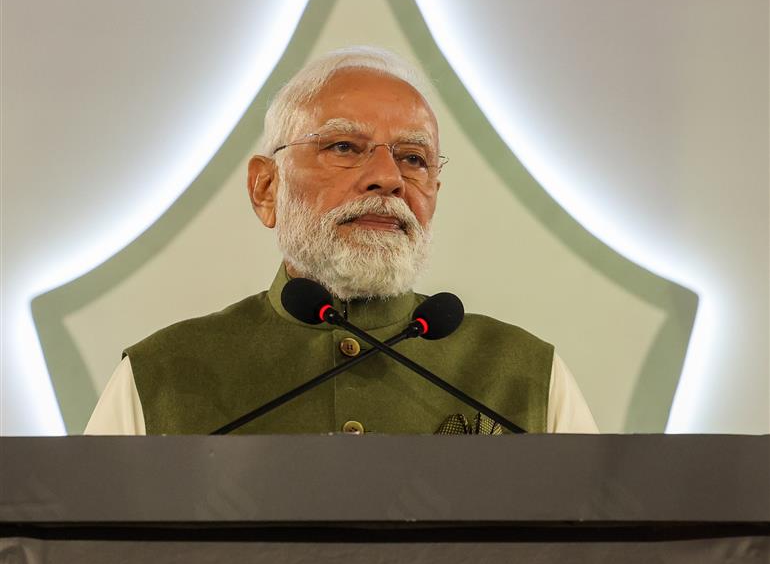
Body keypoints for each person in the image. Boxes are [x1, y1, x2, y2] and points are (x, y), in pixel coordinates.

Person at [85, 47, 598, 435]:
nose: (388, 177)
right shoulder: (160, 379)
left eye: (413, 158)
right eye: (344, 147)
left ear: (433, 194)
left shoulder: (528, 377)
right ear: (266, 188)